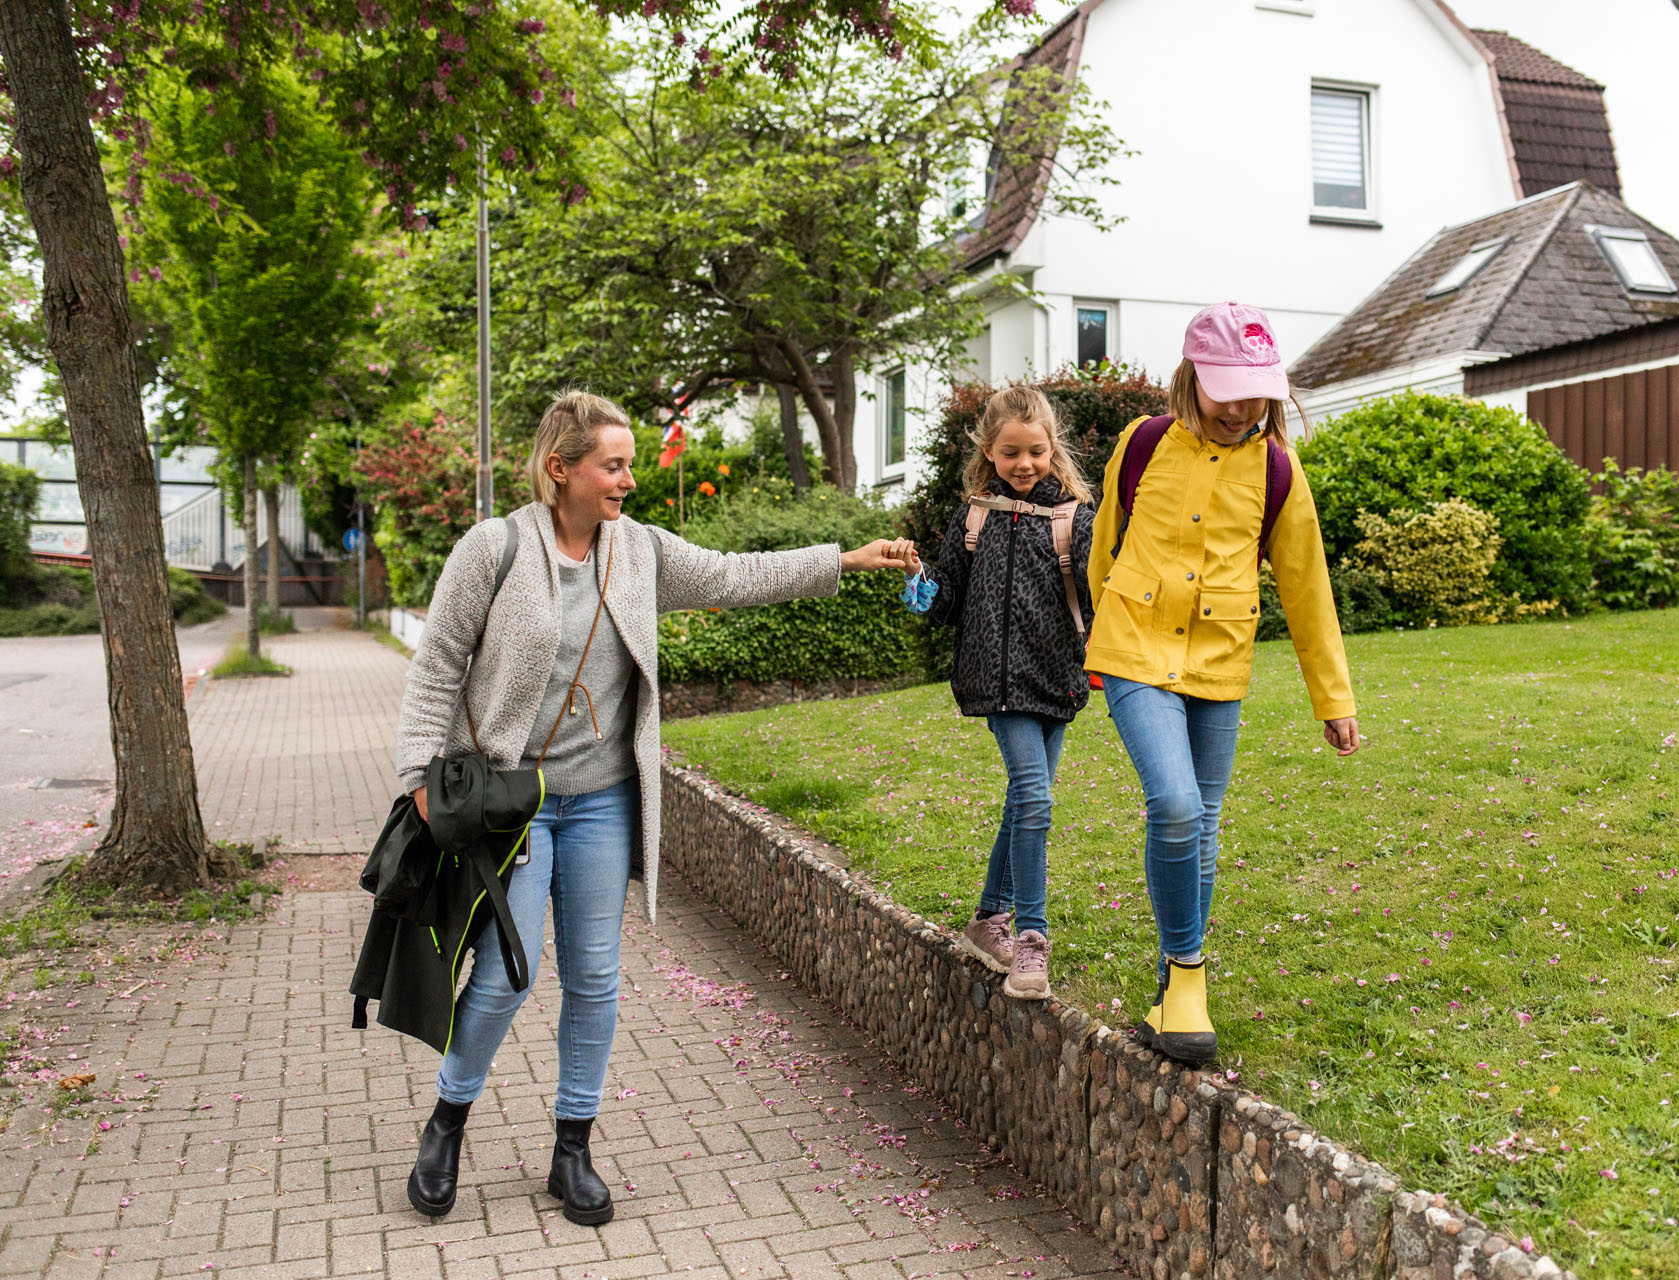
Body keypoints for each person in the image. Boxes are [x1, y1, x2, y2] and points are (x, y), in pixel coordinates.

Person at [391, 390, 910, 1224]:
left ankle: (573, 1149)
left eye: (631, 463)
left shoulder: (637, 552)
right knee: (504, 978)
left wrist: (844, 560)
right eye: (613, 464)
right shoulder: (492, 549)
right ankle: (448, 1121)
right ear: (561, 470)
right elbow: (437, 665)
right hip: (508, 804)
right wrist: (419, 777)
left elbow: (734, 575)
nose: (627, 479)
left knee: (595, 977)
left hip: (601, 801)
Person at [1085, 302, 1359, 1066]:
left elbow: (1307, 588)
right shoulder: (1141, 442)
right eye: (1228, 389)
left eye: (1257, 391)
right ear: (1193, 376)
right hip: (1135, 648)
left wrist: (1332, 698)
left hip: (1218, 660)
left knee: (1201, 823)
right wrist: (1098, 644)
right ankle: (1190, 975)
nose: (1243, 407)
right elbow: (1104, 544)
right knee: (1173, 804)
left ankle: (1175, 985)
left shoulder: (1277, 469)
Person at [900, 386, 1096, 1002]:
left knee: (1024, 803)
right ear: (989, 451)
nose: (1024, 464)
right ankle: (1031, 938)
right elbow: (942, 601)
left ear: (1051, 448)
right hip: (997, 680)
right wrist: (915, 580)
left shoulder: (1073, 517)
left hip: (1057, 678)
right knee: (1034, 798)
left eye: (1035, 451)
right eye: (1011, 453)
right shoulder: (973, 516)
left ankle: (987, 922)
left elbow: (1100, 595)